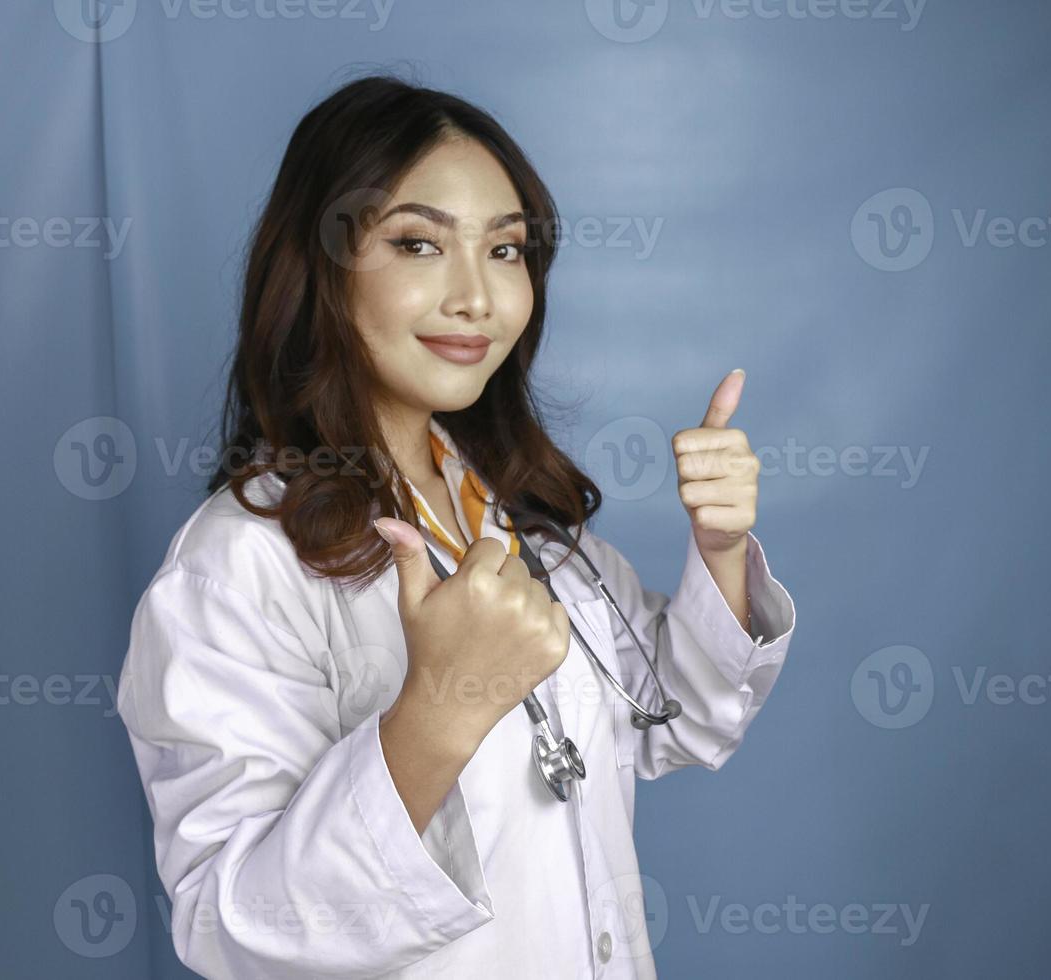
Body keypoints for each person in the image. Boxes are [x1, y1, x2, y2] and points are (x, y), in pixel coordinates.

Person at [116, 71, 796, 979]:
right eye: (418, 244)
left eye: (506, 251)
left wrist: (717, 554)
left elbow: (671, 719)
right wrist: (442, 711)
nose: (477, 297)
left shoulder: (521, 520)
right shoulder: (236, 566)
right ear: (322, 266)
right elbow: (234, 928)